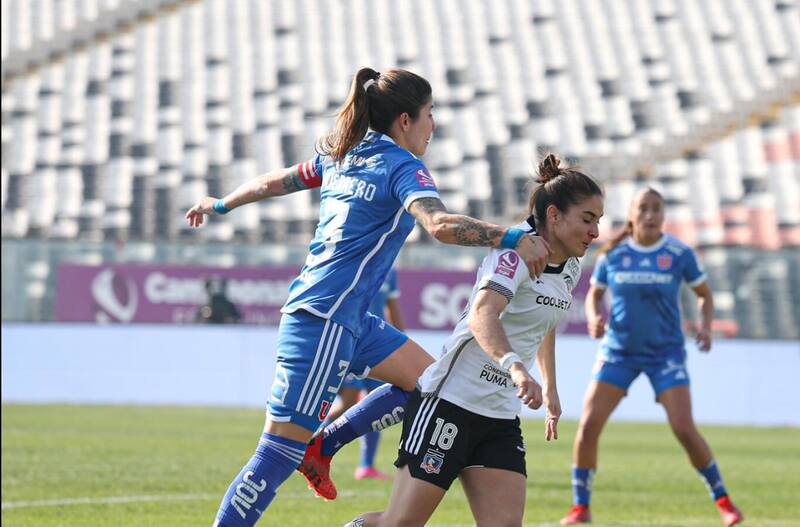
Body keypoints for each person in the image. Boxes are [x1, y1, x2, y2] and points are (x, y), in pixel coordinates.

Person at [185, 67, 551, 527]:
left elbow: (274, 181)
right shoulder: (402, 166)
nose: (433, 126)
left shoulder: (343, 154)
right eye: (429, 115)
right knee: (277, 452)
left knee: (430, 385)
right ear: (404, 120)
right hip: (323, 319)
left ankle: (325, 446)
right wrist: (512, 236)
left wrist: (221, 204)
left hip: (351, 318)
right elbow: (438, 226)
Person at [344, 154, 604, 527]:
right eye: (587, 220)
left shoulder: (572, 268)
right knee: (399, 524)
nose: (595, 232)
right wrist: (515, 369)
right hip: (450, 403)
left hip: (498, 415)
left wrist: (550, 387)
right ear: (554, 216)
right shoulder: (513, 255)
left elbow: (543, 322)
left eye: (598, 222)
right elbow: (483, 315)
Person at [559, 188, 744, 527]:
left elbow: (704, 294)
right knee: (587, 427)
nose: (650, 214)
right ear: (631, 213)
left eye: (656, 208)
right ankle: (580, 507)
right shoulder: (612, 254)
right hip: (619, 352)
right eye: (643, 208)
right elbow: (595, 294)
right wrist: (592, 316)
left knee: (685, 429)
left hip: (665, 353)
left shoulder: (678, 253)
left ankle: (724, 501)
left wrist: (704, 326)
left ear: (664, 214)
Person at [323, 267, 405, 481]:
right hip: (349, 342)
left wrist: (404, 343)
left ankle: (366, 466)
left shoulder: (390, 271)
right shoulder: (357, 261)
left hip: (377, 348)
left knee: (377, 405)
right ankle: (315, 443)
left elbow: (392, 307)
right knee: (350, 397)